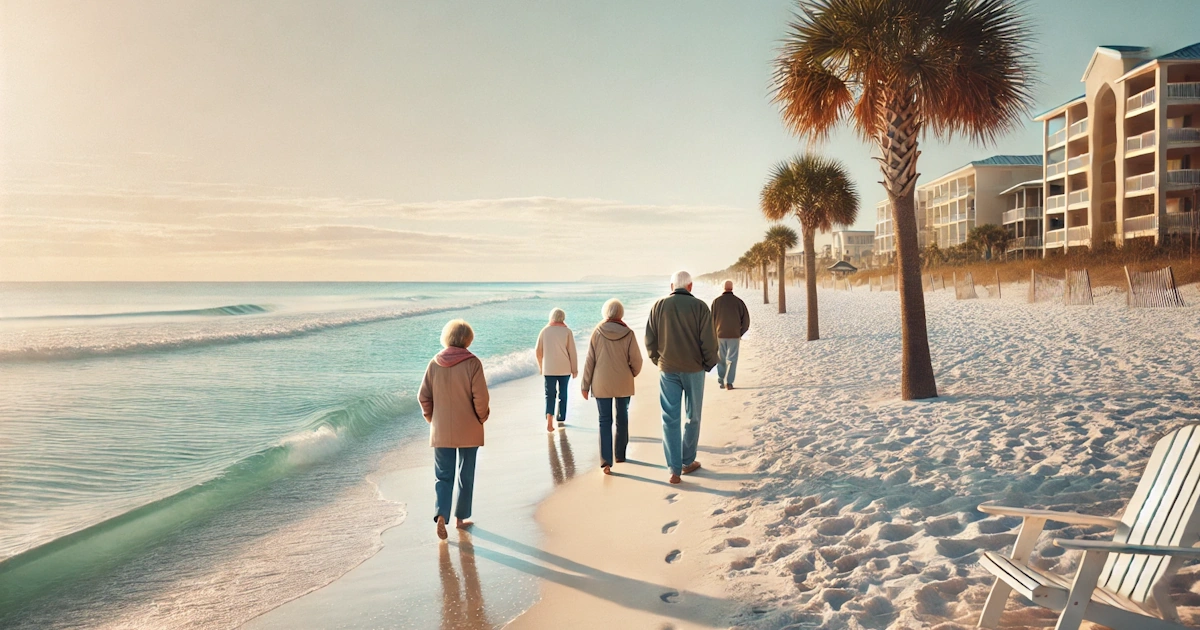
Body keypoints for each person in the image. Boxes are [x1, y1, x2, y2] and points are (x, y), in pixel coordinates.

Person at [644, 271, 718, 484]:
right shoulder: (700, 307)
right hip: (694, 369)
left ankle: (674, 470)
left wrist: (657, 360)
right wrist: (708, 363)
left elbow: (650, 338)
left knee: (670, 418)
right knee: (693, 416)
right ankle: (687, 462)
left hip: (667, 369)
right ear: (690, 286)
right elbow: (709, 342)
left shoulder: (658, 306)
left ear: (671, 286)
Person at [419, 319, 490, 541]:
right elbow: (481, 397)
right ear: (468, 339)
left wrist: (433, 420)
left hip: (441, 431)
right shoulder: (473, 363)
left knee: (443, 476)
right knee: (465, 473)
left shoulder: (434, 363)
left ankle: (441, 514)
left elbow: (423, 397)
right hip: (469, 428)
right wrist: (482, 417)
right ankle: (460, 518)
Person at [580, 298, 644, 475]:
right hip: (623, 382)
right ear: (621, 313)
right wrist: (631, 373)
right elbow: (637, 361)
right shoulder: (628, 333)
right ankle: (620, 455)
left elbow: (589, 360)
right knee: (622, 417)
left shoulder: (597, 332)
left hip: (601, 383)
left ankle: (606, 463)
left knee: (604, 420)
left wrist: (585, 385)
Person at [535, 308, 577, 432]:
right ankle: (561, 417)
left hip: (549, 369)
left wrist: (541, 366)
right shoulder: (567, 331)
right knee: (563, 393)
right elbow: (572, 352)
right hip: (565, 368)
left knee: (549, 395)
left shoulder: (545, 331)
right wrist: (574, 369)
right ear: (563, 318)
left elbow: (538, 350)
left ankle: (549, 420)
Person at [710, 279, 750, 390]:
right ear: (732, 288)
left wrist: (713, 333)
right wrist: (740, 332)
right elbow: (746, 320)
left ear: (723, 288)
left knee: (721, 358)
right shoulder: (739, 302)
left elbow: (711, 319)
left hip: (720, 334)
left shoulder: (716, 302)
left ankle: (721, 379)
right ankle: (729, 383)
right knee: (732, 359)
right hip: (734, 335)